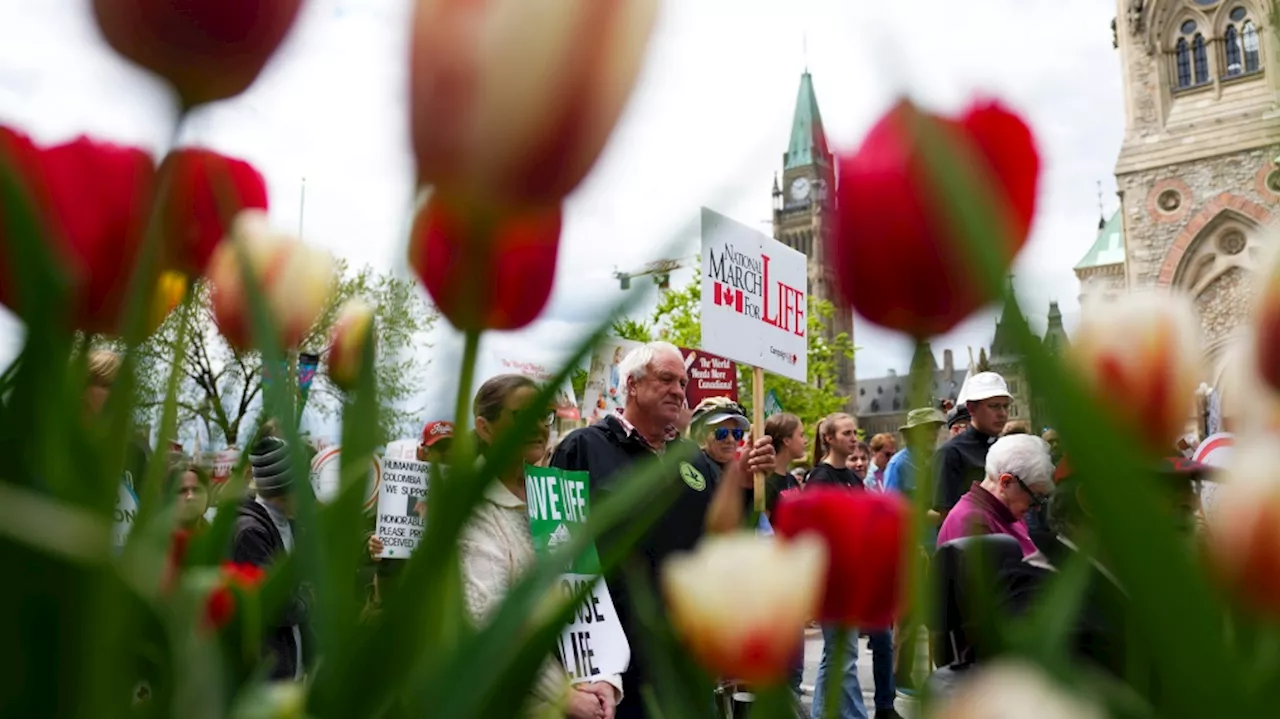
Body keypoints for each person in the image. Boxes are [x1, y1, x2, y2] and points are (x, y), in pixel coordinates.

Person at [549, 341, 774, 719]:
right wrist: (575, 668)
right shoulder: (582, 448)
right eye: (666, 379)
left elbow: (718, 538)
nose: (677, 390)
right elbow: (555, 554)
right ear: (632, 385)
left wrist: (743, 482)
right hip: (612, 669)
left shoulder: (691, 459)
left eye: (683, 383)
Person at [452, 374, 621, 718]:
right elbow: (491, 620)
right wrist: (562, 695)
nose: (539, 427)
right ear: (485, 428)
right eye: (522, 416)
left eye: (544, 416)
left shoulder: (557, 496)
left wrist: (605, 677)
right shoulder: (468, 507)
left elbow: (586, 594)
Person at [230, 436, 310, 680]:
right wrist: (309, 599)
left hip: (292, 672)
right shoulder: (250, 532)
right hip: (268, 678)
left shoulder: (290, 524)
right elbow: (277, 606)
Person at [936, 434, 1055, 557]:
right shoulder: (973, 524)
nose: (1037, 507)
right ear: (1006, 482)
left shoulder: (1004, 513)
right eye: (1034, 498)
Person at [932, 373, 1012, 520]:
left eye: (1005, 406)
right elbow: (948, 516)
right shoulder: (950, 453)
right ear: (971, 408)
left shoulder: (1006, 448)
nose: (1002, 414)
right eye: (994, 406)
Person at [763, 412, 806, 518]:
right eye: (801, 435)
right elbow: (763, 529)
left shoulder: (792, 479)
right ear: (786, 440)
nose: (805, 441)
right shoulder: (766, 484)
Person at [809, 413, 862, 489]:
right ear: (829, 438)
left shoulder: (854, 478)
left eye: (855, 433)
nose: (854, 439)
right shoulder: (820, 479)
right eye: (847, 433)